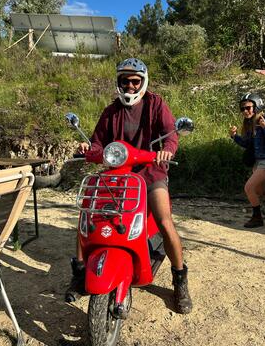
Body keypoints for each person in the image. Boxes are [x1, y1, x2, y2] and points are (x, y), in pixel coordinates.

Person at [65, 58, 192, 314]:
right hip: (116, 172)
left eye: (135, 81)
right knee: (87, 214)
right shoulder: (111, 111)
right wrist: (89, 148)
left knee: (164, 219)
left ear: (143, 82)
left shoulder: (156, 104)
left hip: (151, 170)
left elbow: (171, 133)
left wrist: (167, 150)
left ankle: (179, 279)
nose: (130, 86)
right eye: (125, 81)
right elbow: (98, 142)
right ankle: (80, 272)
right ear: (119, 82)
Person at [229, 93, 265, 228]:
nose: (245, 111)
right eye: (242, 108)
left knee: (249, 187)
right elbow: (247, 144)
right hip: (259, 160)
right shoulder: (250, 123)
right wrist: (234, 136)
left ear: (256, 107)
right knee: (260, 189)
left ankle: (257, 217)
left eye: (248, 108)